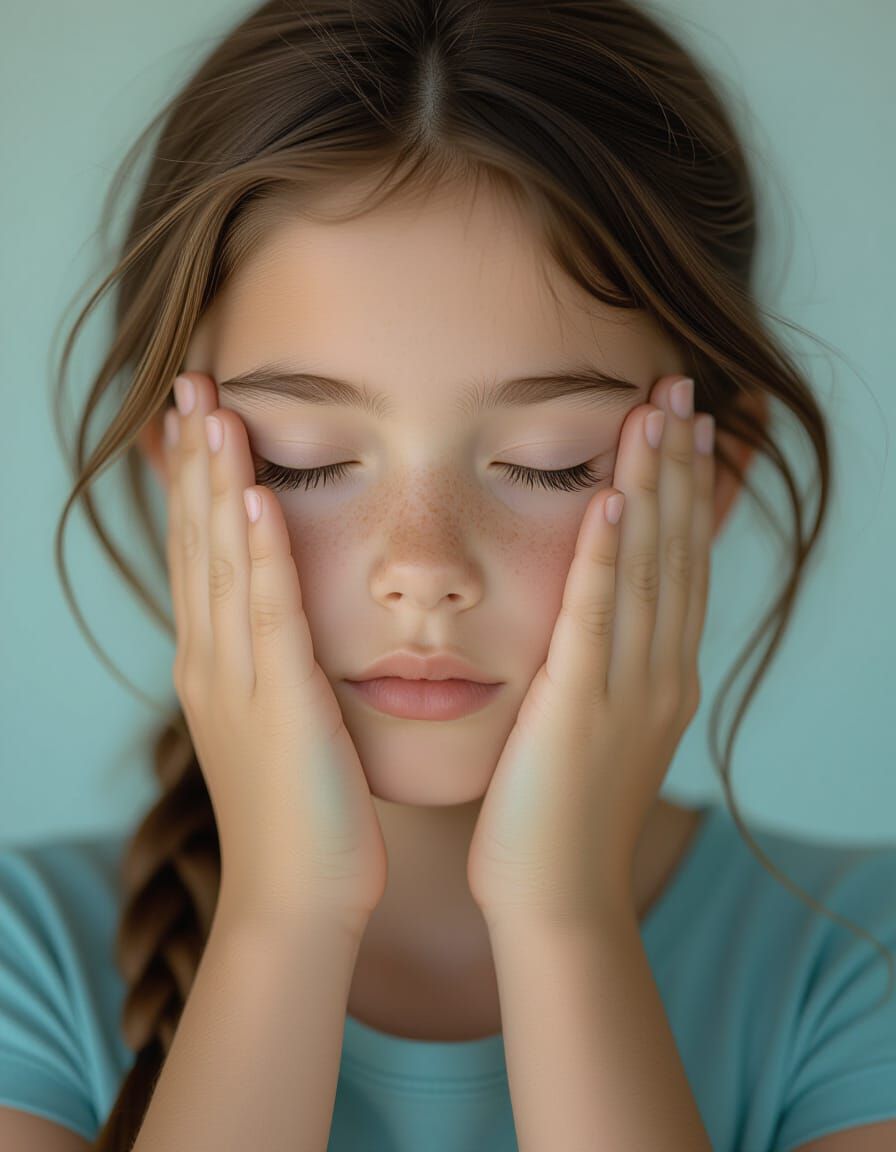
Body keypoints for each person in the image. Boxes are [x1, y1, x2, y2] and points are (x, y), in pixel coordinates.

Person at [2, 2, 895, 1150]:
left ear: (714, 473)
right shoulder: (29, 963)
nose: (421, 570)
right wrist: (283, 915)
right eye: (302, 459)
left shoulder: (856, 961)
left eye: (549, 462)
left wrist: (562, 917)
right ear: (182, 468)